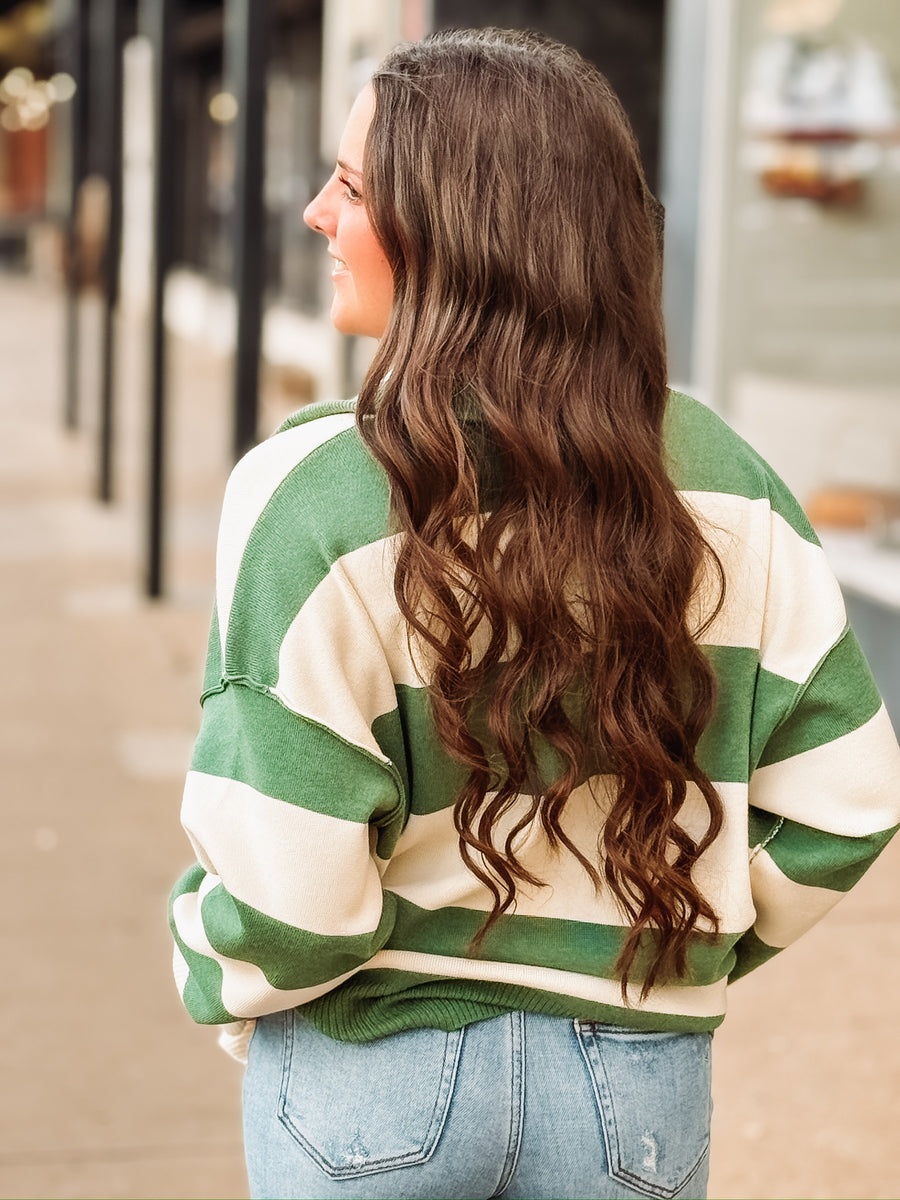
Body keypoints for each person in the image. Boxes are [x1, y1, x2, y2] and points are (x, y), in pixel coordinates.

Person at [169, 28, 900, 1200]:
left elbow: (289, 896)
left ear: (460, 233)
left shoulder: (307, 490)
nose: (315, 212)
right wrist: (689, 944)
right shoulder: (726, 479)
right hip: (634, 1094)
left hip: (373, 1078)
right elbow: (852, 799)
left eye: (352, 185)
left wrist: (205, 958)